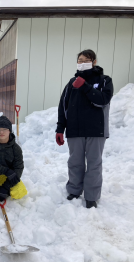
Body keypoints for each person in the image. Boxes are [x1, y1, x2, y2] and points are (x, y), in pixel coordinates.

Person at [56, 49, 113, 209]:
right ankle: (74, 190)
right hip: (75, 130)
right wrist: (60, 129)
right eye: (80, 60)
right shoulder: (71, 83)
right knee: (75, 162)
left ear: (94, 61)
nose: (82, 63)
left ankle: (91, 196)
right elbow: (63, 107)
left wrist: (86, 87)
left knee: (94, 164)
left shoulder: (104, 81)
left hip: (96, 130)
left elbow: (103, 100)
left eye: (86, 60)